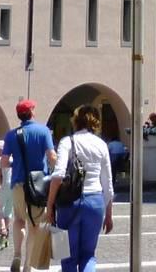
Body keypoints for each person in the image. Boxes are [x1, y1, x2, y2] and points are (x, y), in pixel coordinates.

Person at [49, 105, 114, 272]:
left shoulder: (67, 142)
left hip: (69, 202)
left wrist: (49, 206)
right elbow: (108, 183)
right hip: (95, 201)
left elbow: (58, 175)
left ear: (75, 122)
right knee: (89, 255)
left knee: (67, 255)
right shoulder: (101, 144)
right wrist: (108, 213)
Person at [2, 98, 54, 272]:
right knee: (34, 224)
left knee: (19, 219)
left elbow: (4, 162)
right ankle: (27, 264)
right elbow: (52, 156)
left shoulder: (11, 135)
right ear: (32, 112)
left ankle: (16, 254)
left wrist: (16, 164)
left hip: (18, 182)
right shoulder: (43, 131)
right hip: (38, 184)